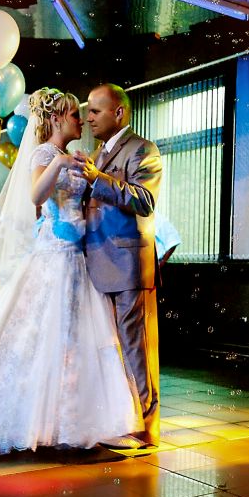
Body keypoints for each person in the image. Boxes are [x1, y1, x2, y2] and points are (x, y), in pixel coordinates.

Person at [0, 87, 143, 458]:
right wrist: (60, 165)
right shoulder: (44, 154)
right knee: (44, 337)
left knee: (75, 341)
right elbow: (36, 196)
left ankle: (72, 419)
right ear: (56, 119)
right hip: (54, 258)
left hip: (77, 258)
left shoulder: (75, 155)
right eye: (74, 115)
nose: (81, 120)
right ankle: (34, 421)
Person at [72, 83, 162, 447]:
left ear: (119, 112)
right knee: (111, 347)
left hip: (126, 263)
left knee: (134, 345)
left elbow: (145, 200)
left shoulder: (143, 149)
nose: (88, 118)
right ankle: (121, 418)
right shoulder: (98, 152)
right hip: (97, 263)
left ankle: (146, 427)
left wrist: (98, 179)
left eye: (95, 111)